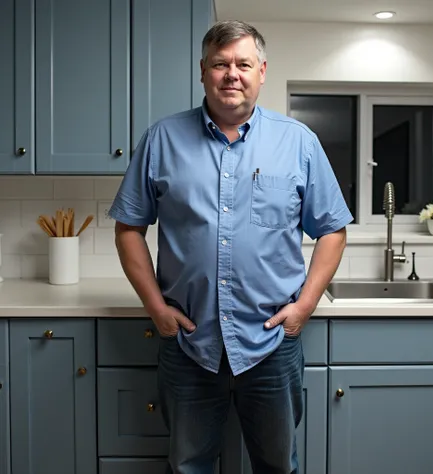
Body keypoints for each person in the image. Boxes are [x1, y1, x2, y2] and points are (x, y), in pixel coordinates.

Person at [109, 19, 353, 474]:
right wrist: (155, 308)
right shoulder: (161, 139)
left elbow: (333, 230)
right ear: (203, 71)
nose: (231, 74)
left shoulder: (298, 142)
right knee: (188, 465)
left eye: (243, 63)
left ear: (262, 71)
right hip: (188, 342)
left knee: (277, 465)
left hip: (272, 343)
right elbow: (128, 228)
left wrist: (305, 305)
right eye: (220, 64)